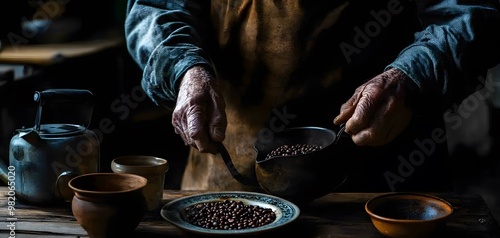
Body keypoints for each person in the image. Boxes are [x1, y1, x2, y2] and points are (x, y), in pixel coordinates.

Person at [124, 0, 500, 193]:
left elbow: (471, 13)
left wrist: (410, 75)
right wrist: (186, 70)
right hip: (229, 176)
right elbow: (156, 8)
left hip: (380, 179)